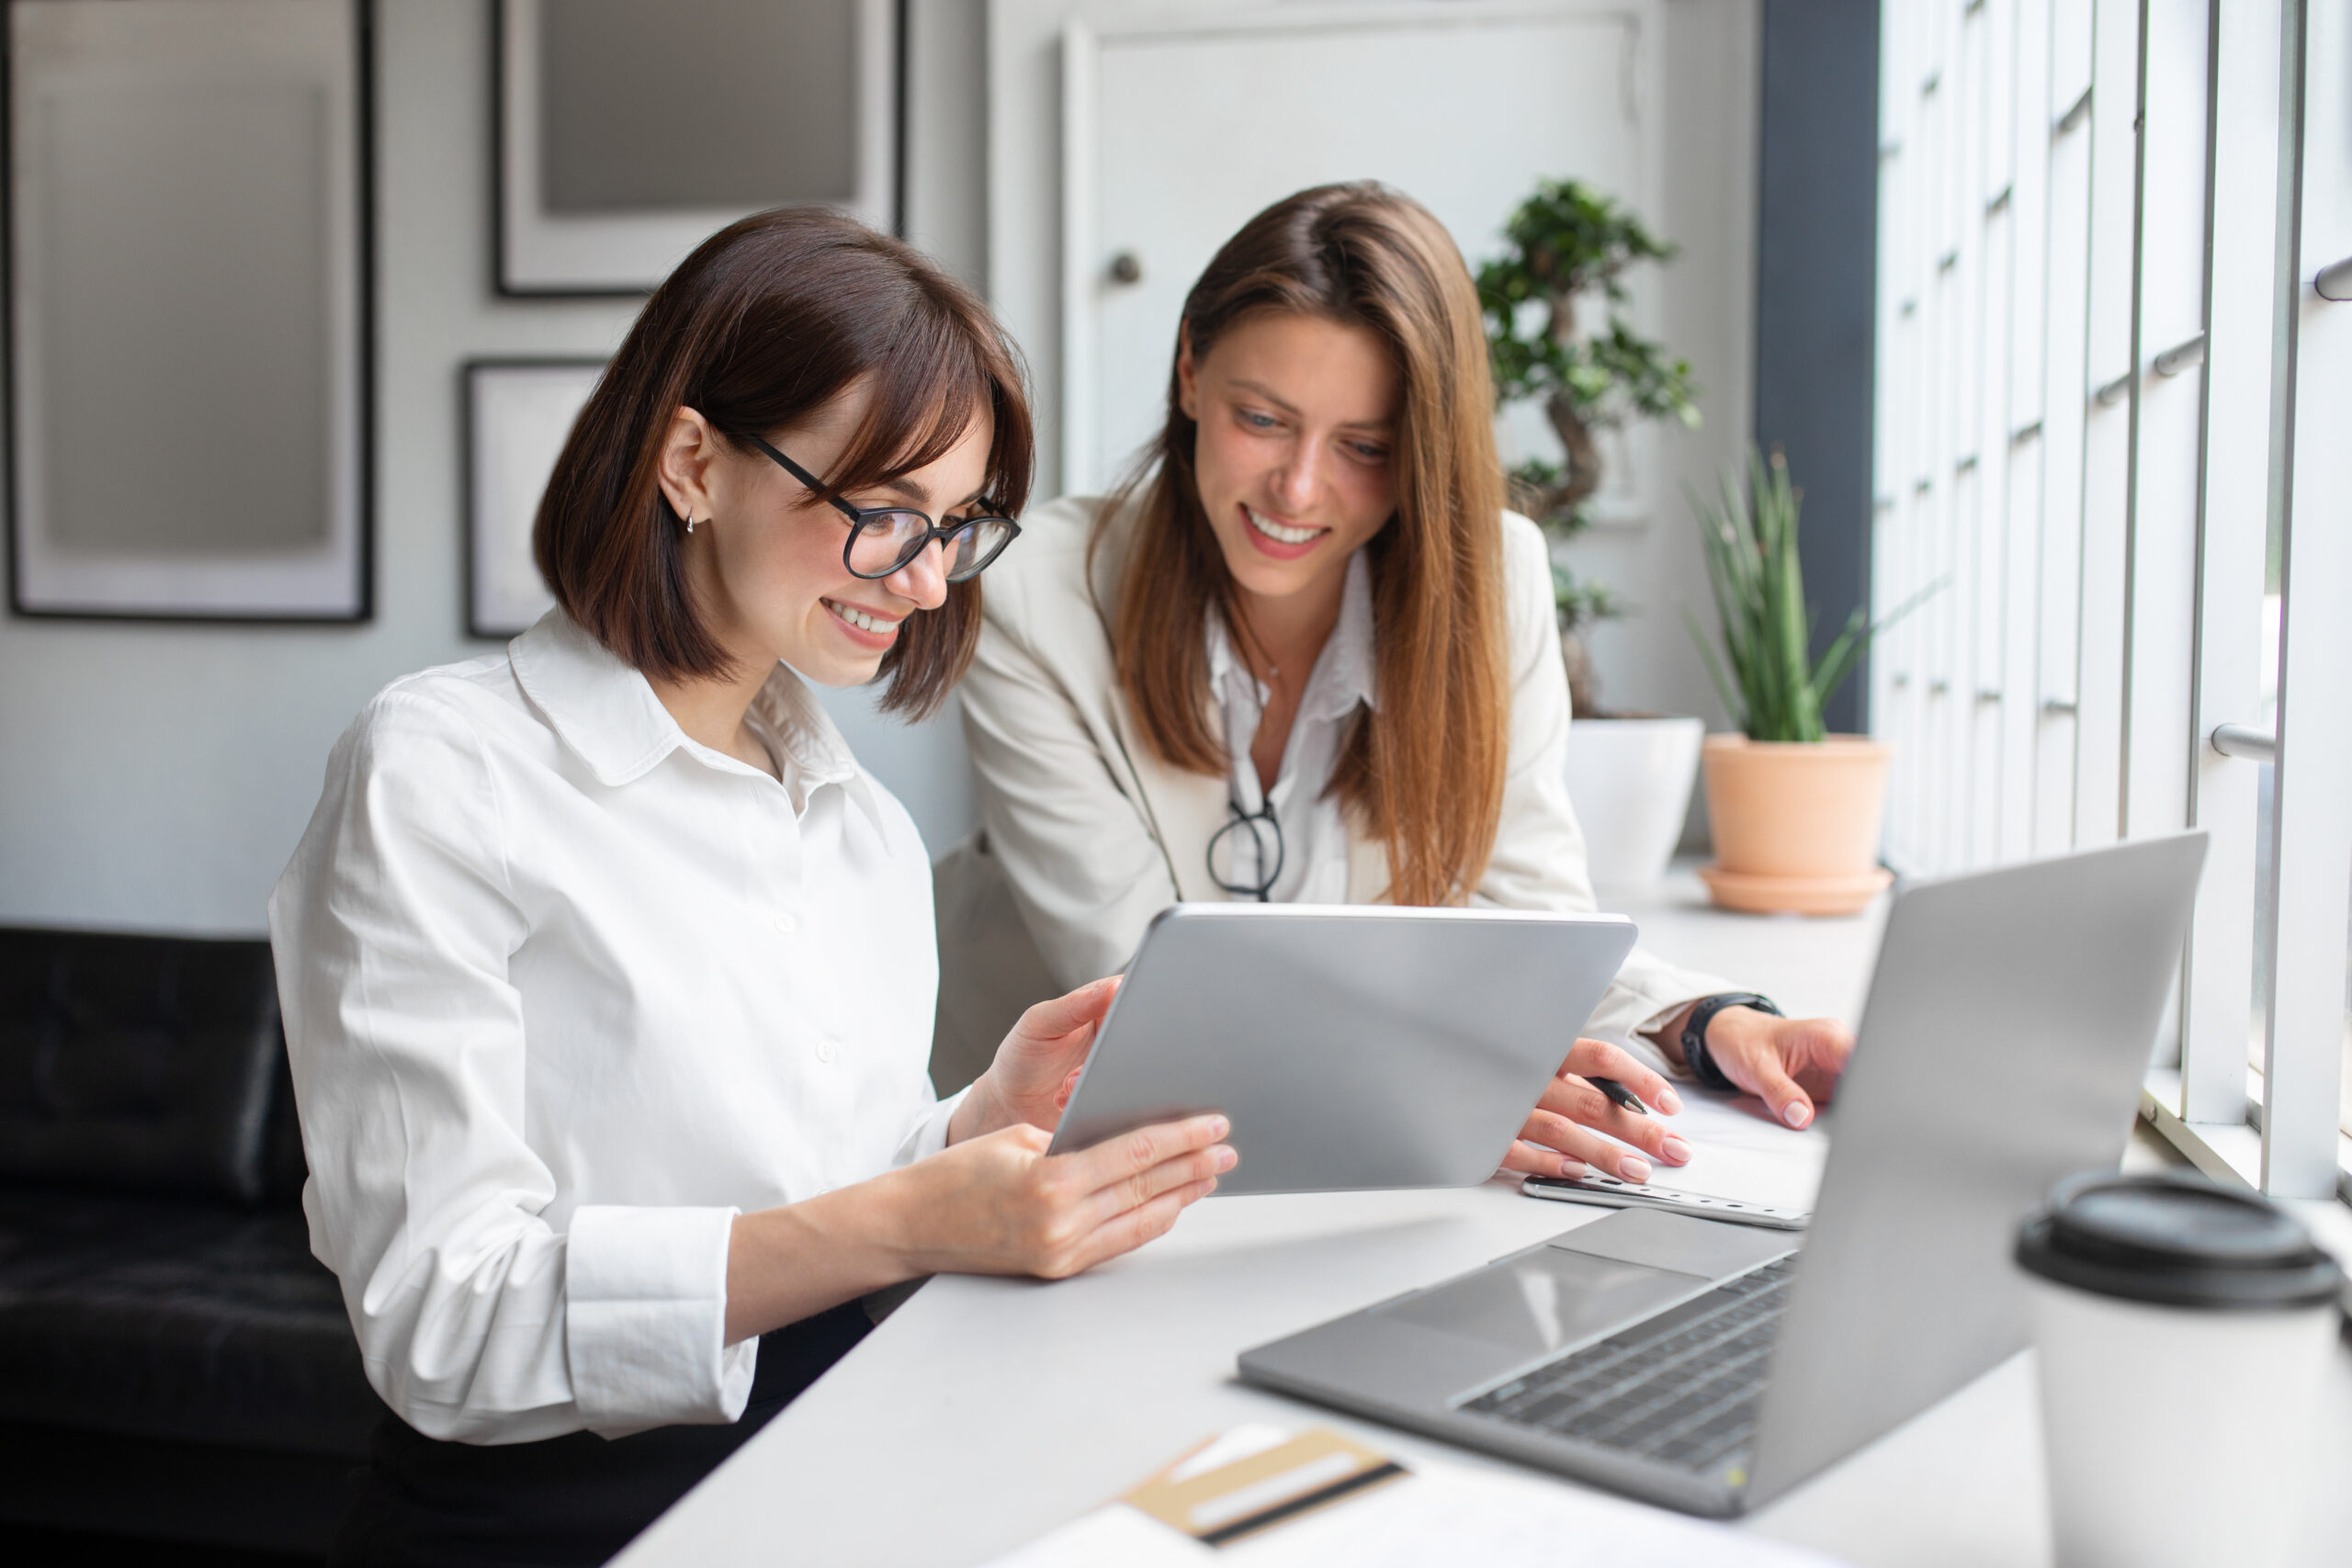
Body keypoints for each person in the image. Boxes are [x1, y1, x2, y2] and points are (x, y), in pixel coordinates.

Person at [269, 209, 1234, 1567]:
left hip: (844, 1475)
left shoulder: (864, 833)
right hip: (554, 1523)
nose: (927, 576)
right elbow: (446, 1318)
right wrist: (910, 1215)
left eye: (957, 524)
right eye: (882, 511)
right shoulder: (440, 774)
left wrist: (965, 1128)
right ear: (691, 462)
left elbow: (812, 1200)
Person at [941, 183, 1853, 1183]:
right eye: (1261, 418)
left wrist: (1705, 1022)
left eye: (1364, 448)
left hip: (1335, 1155)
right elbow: (1136, 988)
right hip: (1043, 1159)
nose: (1297, 489)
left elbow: (1528, 927)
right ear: (1190, 373)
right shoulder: (1030, 598)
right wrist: (1450, 1082)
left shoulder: (1490, 582)